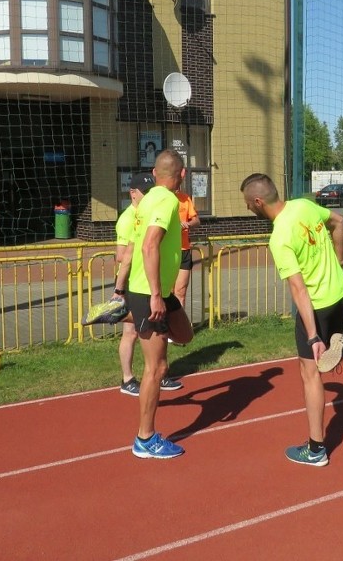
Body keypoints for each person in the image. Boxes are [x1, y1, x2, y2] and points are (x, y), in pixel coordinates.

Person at [240, 173, 343, 467]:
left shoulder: (279, 237)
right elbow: (338, 222)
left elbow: (298, 288)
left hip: (318, 306)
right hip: (341, 293)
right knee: (321, 359)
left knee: (310, 373)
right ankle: (334, 342)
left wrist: (313, 335)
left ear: (258, 202)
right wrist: (338, 262)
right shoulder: (304, 205)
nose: (249, 209)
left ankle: (316, 449)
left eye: (249, 204)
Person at [113, 150, 194, 459]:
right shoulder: (166, 200)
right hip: (150, 293)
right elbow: (148, 245)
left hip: (149, 292)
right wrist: (156, 295)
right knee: (156, 367)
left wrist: (120, 289)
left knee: (184, 334)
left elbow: (133, 247)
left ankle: (128, 313)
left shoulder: (145, 201)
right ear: (182, 174)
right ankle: (145, 439)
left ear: (154, 172)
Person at [113, 172, 183, 396]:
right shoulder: (128, 218)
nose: (148, 195)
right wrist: (119, 289)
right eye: (144, 192)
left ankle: (156, 374)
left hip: (146, 281)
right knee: (130, 333)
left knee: (158, 331)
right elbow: (123, 255)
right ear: (133, 193)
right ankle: (127, 378)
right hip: (135, 282)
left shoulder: (149, 209)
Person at [173, 187, 200, 312]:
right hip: (167, 252)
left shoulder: (185, 198)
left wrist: (188, 224)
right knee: (167, 292)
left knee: (181, 291)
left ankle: (179, 327)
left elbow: (196, 220)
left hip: (184, 250)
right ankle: (164, 327)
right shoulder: (160, 198)